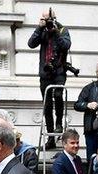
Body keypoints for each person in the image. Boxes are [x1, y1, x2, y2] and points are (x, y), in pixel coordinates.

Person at [28, 8, 72, 150]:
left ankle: (59, 124)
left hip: (59, 70)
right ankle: (51, 139)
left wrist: (55, 32)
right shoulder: (42, 31)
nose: (46, 22)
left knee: (58, 95)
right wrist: (39, 28)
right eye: (44, 19)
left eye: (48, 19)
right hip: (45, 73)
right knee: (47, 105)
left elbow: (66, 45)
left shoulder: (62, 29)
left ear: (54, 18)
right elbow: (31, 44)